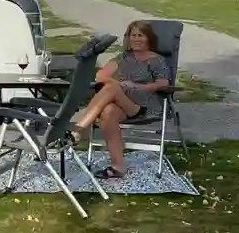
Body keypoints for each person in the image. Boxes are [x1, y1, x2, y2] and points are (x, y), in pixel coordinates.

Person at [70, 20, 170, 179]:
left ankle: (78, 130)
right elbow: (100, 76)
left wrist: (136, 86)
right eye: (133, 35)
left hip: (142, 106)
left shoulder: (157, 60)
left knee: (110, 88)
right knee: (108, 113)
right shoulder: (122, 57)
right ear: (128, 38)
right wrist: (119, 85)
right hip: (119, 103)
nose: (136, 39)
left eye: (140, 35)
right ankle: (118, 166)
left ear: (148, 38)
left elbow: (163, 83)